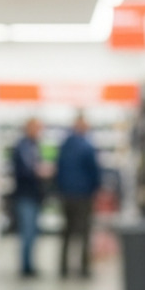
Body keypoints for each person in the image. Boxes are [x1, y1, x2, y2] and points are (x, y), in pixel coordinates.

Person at [55, 113, 102, 278]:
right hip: (83, 195)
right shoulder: (88, 146)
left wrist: (60, 189)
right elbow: (94, 173)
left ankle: (63, 268)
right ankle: (83, 268)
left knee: (67, 231)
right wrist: (95, 189)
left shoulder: (65, 145)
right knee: (83, 232)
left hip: (66, 194)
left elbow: (58, 169)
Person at [10, 118, 45, 278]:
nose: (39, 132)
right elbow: (26, 170)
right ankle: (26, 267)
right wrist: (39, 172)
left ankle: (29, 265)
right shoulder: (23, 146)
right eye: (37, 128)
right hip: (25, 195)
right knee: (27, 233)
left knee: (32, 233)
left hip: (33, 195)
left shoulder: (33, 146)